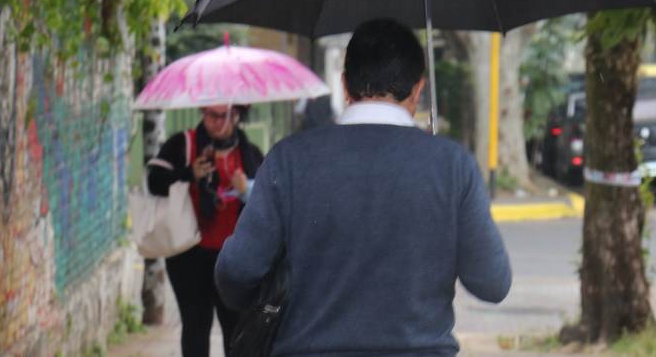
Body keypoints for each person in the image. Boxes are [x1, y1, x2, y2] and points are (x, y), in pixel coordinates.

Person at [215, 18, 512, 356]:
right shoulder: (453, 165)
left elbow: (236, 274)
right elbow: (492, 282)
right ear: (418, 88)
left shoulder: (290, 160)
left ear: (344, 85)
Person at [147, 104, 264, 357]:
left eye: (222, 115)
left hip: (234, 259)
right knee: (195, 328)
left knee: (237, 332)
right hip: (189, 255)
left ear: (236, 115)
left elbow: (269, 203)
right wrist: (189, 173)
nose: (215, 122)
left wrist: (246, 189)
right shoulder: (183, 144)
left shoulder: (250, 154)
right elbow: (153, 181)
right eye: (209, 115)